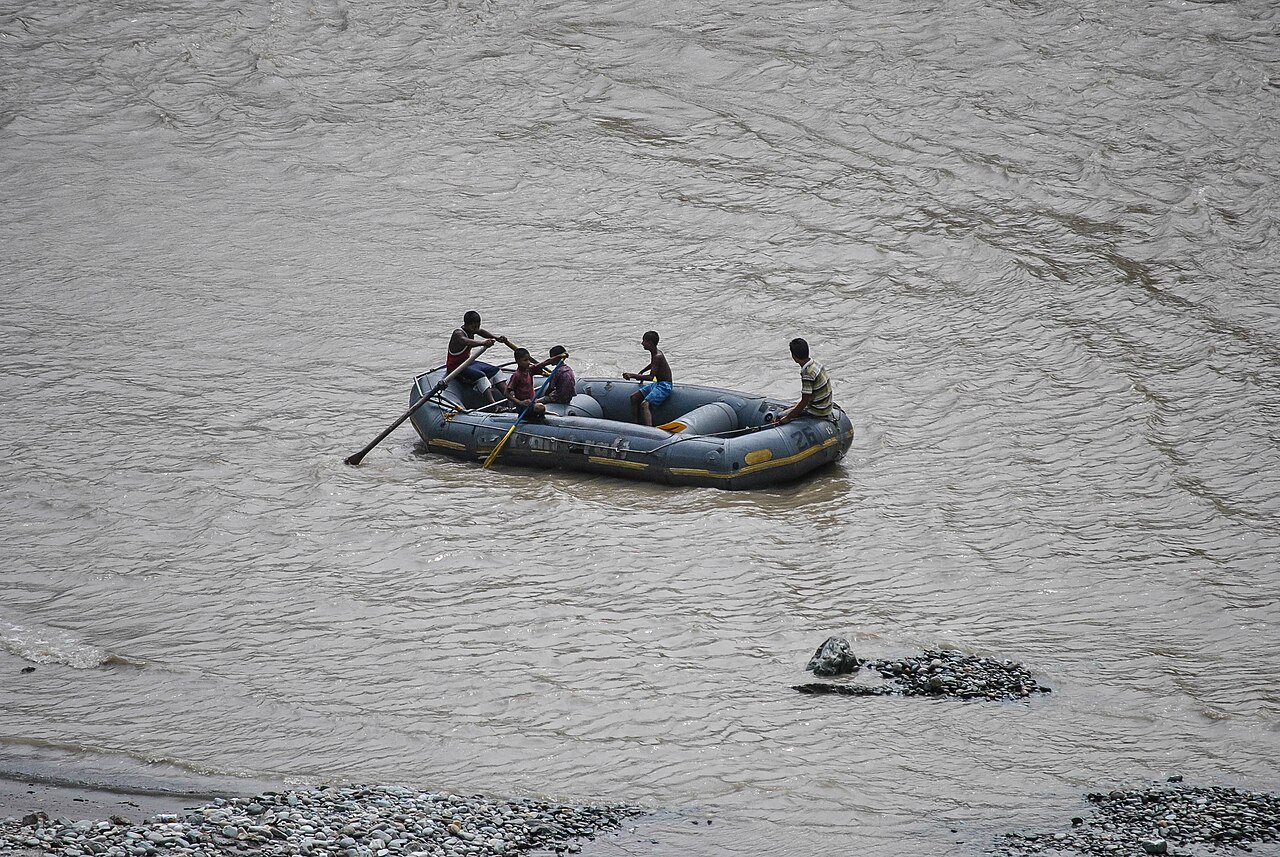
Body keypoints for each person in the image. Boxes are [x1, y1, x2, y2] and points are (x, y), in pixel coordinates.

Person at [446, 311, 513, 404]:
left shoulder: (472, 329)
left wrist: (496, 338)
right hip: (456, 367)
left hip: (468, 362)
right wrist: (483, 343)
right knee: (481, 376)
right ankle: (494, 405)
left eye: (478, 326)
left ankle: (512, 399)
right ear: (466, 324)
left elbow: (481, 332)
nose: (476, 329)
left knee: (495, 371)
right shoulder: (458, 334)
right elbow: (466, 341)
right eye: (474, 327)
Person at [622, 330, 672, 426]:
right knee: (634, 397)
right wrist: (642, 371)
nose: (642, 343)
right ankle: (635, 424)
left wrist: (633, 375)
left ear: (650, 343)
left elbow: (651, 377)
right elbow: (653, 364)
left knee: (645, 404)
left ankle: (649, 429)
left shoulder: (658, 356)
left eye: (644, 341)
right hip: (658, 384)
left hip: (664, 386)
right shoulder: (655, 354)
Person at [779, 337, 834, 424]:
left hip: (818, 411)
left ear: (794, 356)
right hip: (826, 407)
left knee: (779, 415)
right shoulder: (816, 364)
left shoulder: (808, 373)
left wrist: (788, 417)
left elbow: (805, 400)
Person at [503, 348, 547, 419]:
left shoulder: (529, 371)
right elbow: (506, 393)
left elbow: (544, 363)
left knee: (540, 406)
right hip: (523, 407)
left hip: (532, 403)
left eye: (529, 360)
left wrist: (559, 357)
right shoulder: (517, 375)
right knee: (540, 408)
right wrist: (520, 402)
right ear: (517, 361)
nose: (528, 362)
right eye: (525, 360)